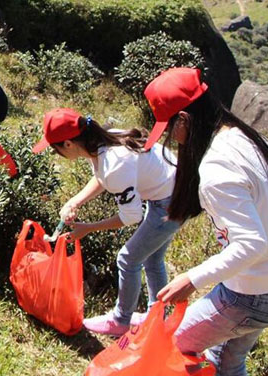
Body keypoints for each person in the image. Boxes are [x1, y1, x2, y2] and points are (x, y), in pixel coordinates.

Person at [143, 67, 268, 375]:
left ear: (185, 120)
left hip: (254, 293)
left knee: (171, 343)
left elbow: (251, 243)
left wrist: (190, 280)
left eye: (168, 128)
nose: (169, 136)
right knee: (228, 359)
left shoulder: (217, 169)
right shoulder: (251, 139)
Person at [32, 108, 180, 336]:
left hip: (171, 202)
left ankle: (121, 321)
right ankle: (158, 318)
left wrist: (88, 228)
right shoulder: (103, 140)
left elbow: (132, 217)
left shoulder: (114, 164)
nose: (56, 153)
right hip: (171, 188)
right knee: (152, 258)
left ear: (69, 144)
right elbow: (101, 176)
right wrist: (75, 201)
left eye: (55, 148)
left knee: (128, 259)